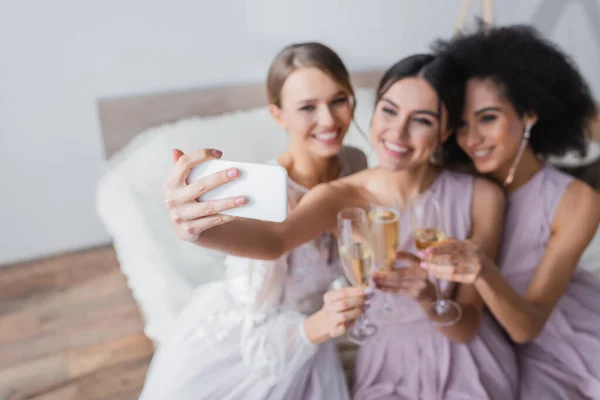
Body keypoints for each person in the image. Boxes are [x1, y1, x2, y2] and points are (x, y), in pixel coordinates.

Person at [172, 54, 517, 399]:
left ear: (445, 130)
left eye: (422, 120)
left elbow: (466, 329)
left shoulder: (482, 197)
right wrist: (195, 228)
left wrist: (428, 298)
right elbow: (274, 240)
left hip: (468, 362)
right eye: (389, 110)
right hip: (385, 364)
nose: (397, 132)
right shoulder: (342, 194)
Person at [139, 42, 369, 400]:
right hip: (258, 348)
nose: (329, 120)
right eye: (307, 107)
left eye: (338, 100)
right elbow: (258, 340)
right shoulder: (267, 193)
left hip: (319, 332)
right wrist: (192, 230)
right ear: (278, 115)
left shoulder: (355, 162)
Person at [423, 25, 600, 399]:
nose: (472, 140)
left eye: (488, 118)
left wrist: (482, 268)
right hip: (477, 337)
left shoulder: (575, 200)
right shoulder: (455, 181)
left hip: (555, 339)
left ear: (529, 115)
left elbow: (527, 326)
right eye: (462, 125)